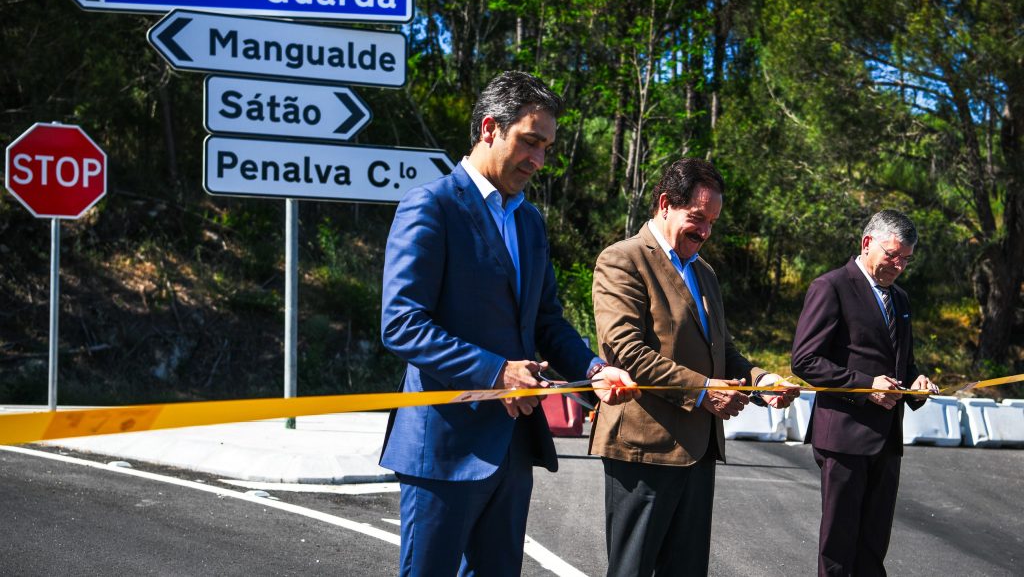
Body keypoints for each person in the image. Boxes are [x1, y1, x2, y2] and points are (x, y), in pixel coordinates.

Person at [379, 70, 638, 576]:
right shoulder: (431, 207)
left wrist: (592, 369)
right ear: (490, 128)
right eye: (530, 142)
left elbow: (546, 322)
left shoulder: (530, 222)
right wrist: (498, 373)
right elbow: (402, 324)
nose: (539, 161)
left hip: (513, 453)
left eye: (547, 148)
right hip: (444, 450)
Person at [589, 157, 798, 576]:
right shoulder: (623, 260)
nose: (704, 232)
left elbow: (724, 350)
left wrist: (762, 381)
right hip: (643, 449)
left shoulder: (705, 273)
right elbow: (626, 351)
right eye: (697, 218)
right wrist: (704, 390)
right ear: (665, 203)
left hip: (699, 450)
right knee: (632, 570)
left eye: (712, 222)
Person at [791, 209, 938, 577]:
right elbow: (805, 361)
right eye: (892, 255)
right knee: (839, 547)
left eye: (906, 259)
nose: (899, 265)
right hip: (843, 437)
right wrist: (864, 386)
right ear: (867, 243)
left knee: (873, 546)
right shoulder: (832, 286)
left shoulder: (900, 299)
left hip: (887, 439)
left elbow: (905, 365)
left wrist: (917, 384)